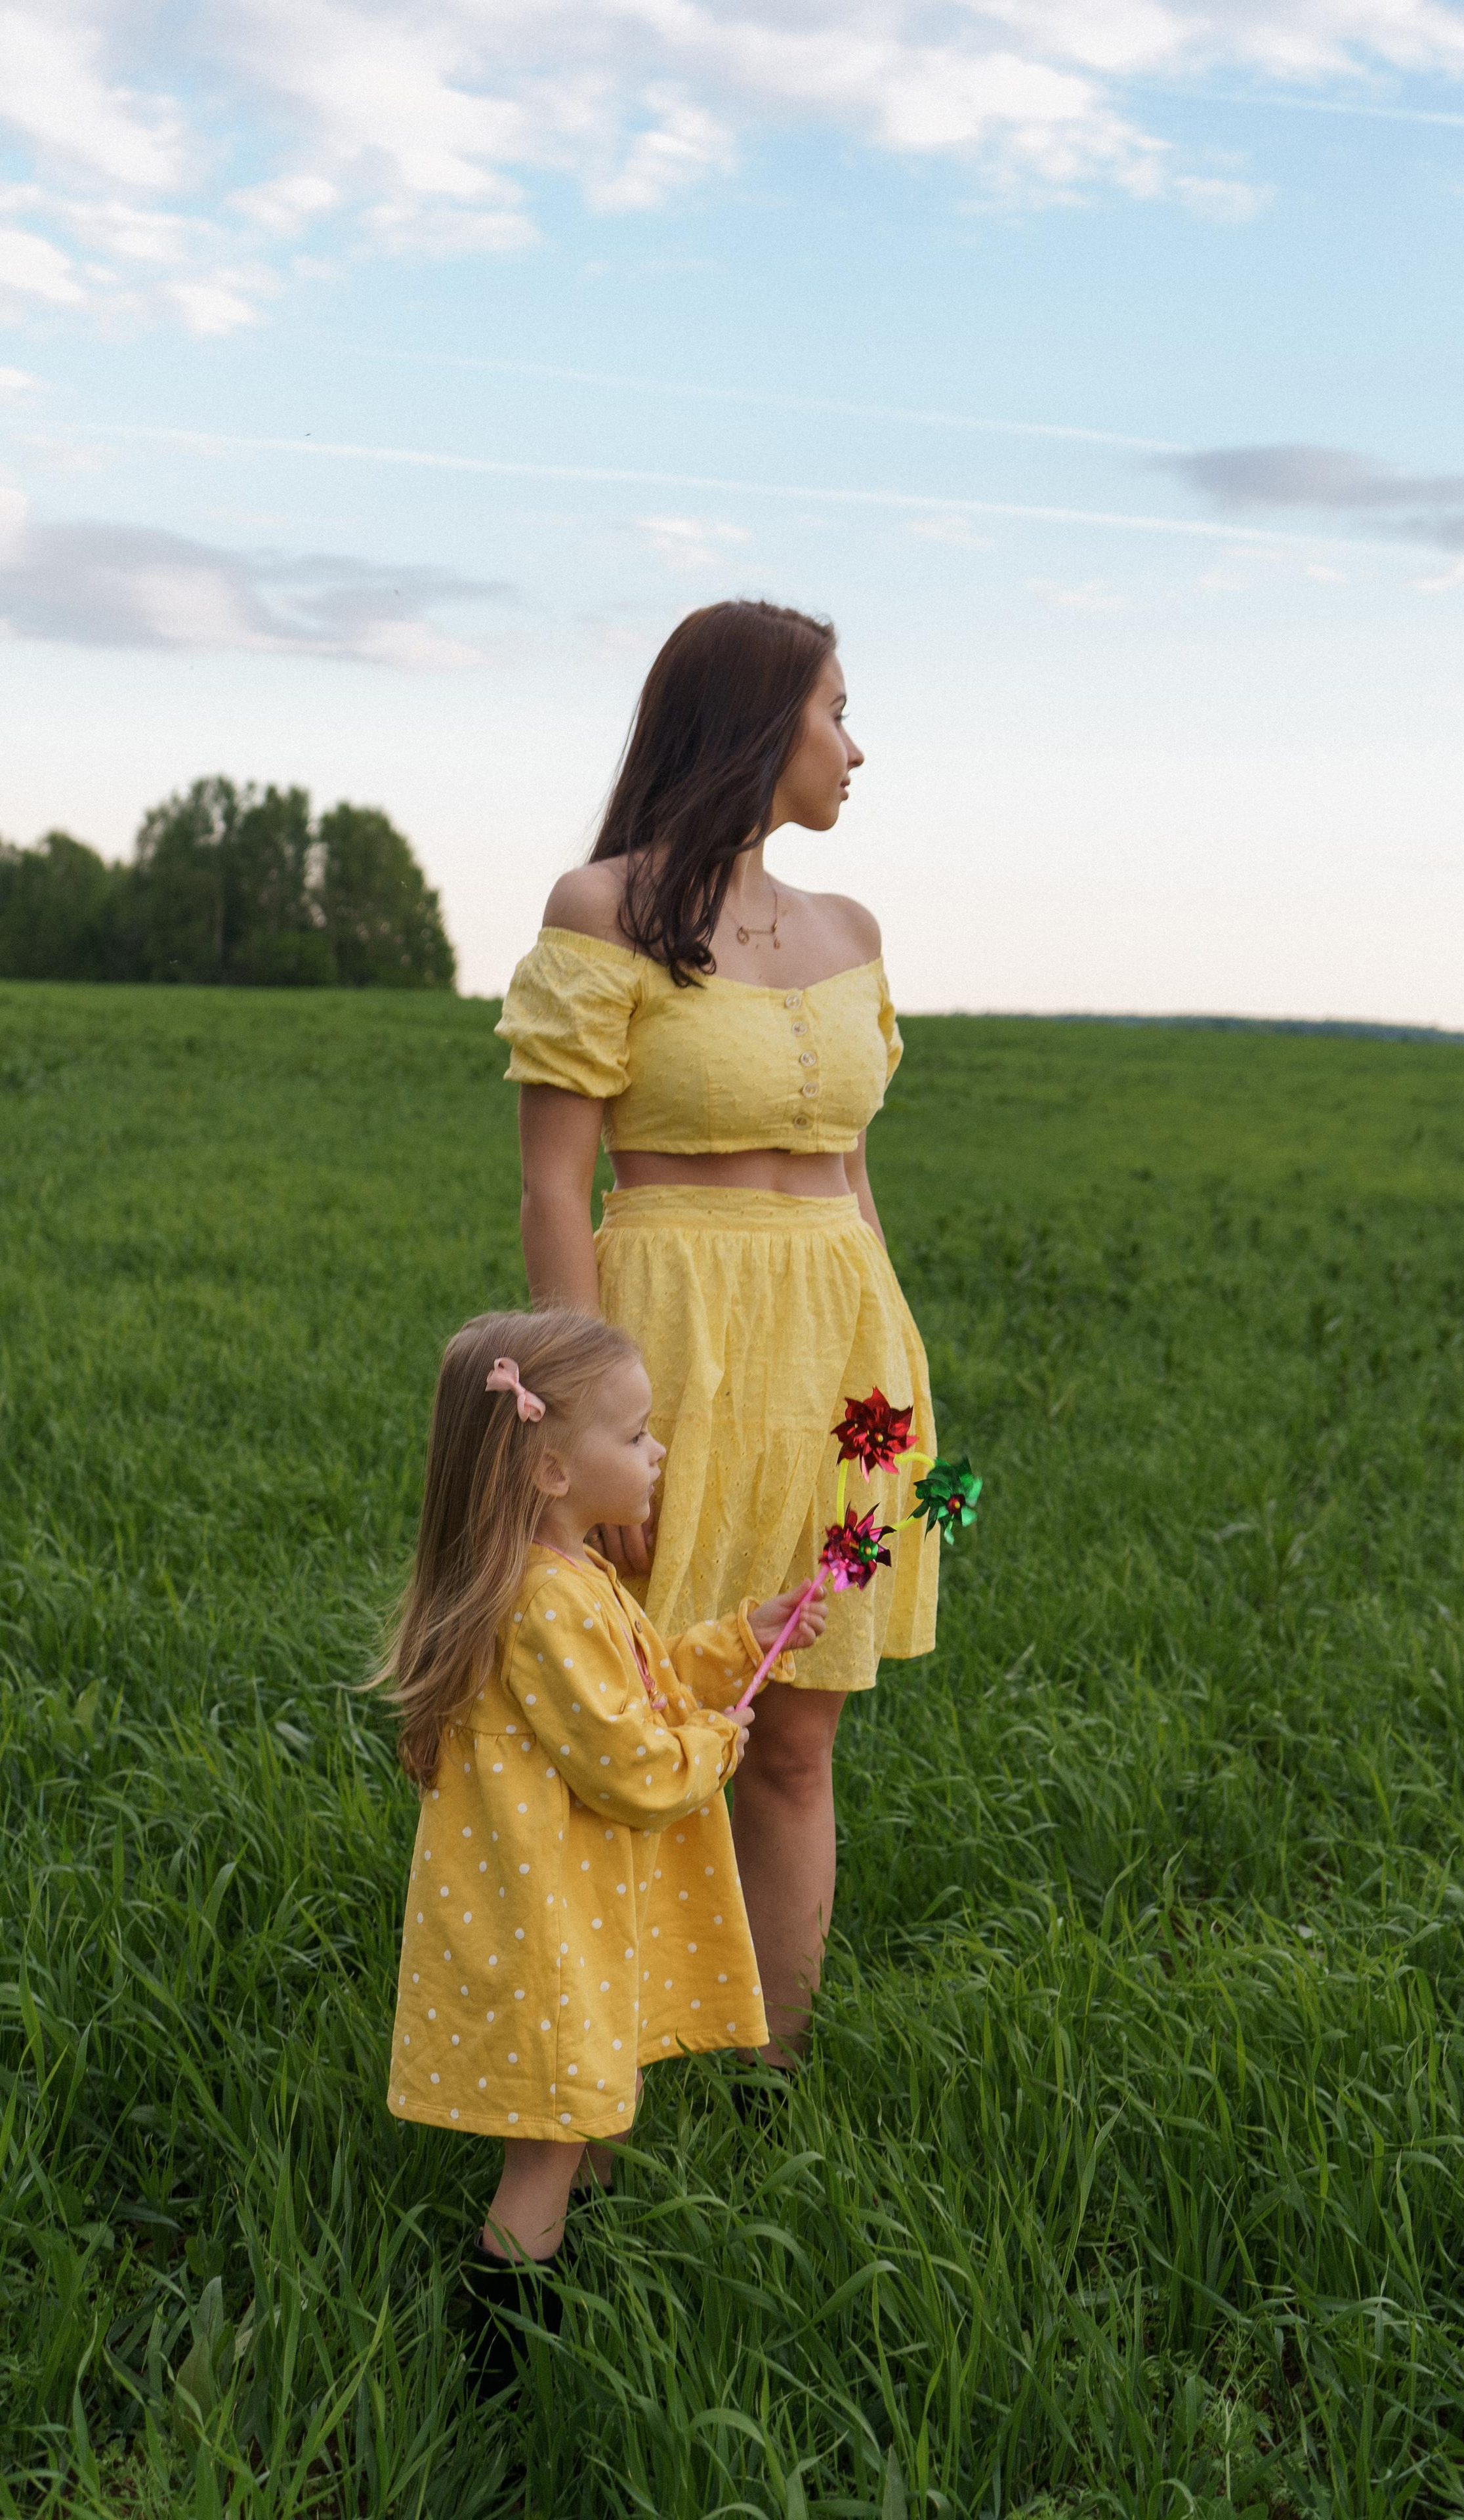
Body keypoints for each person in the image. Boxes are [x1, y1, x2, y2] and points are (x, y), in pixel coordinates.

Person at [496, 599, 937, 2072]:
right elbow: (556, 1185)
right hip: (669, 1341)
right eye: (833, 713)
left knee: (794, 1735)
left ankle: (770, 2080)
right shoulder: (600, 909)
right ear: (758, 725)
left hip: (839, 1356)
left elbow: (855, 1184)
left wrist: (897, 1391)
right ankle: (596, 2081)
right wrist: (581, 1424)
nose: (854, 748)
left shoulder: (848, 931)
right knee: (640, 1718)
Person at [377, 1305, 826, 2384]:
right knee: (551, 2147)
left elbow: (639, 1682)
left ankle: (580, 2268)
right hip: (549, 1934)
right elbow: (628, 1762)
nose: (657, 1449)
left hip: (559, 1915)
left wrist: (734, 1645)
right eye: (633, 1436)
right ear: (549, 1472)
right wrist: (716, 1747)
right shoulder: (548, 1606)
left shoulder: (561, 1584)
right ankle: (498, 2365)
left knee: (581, 2118)